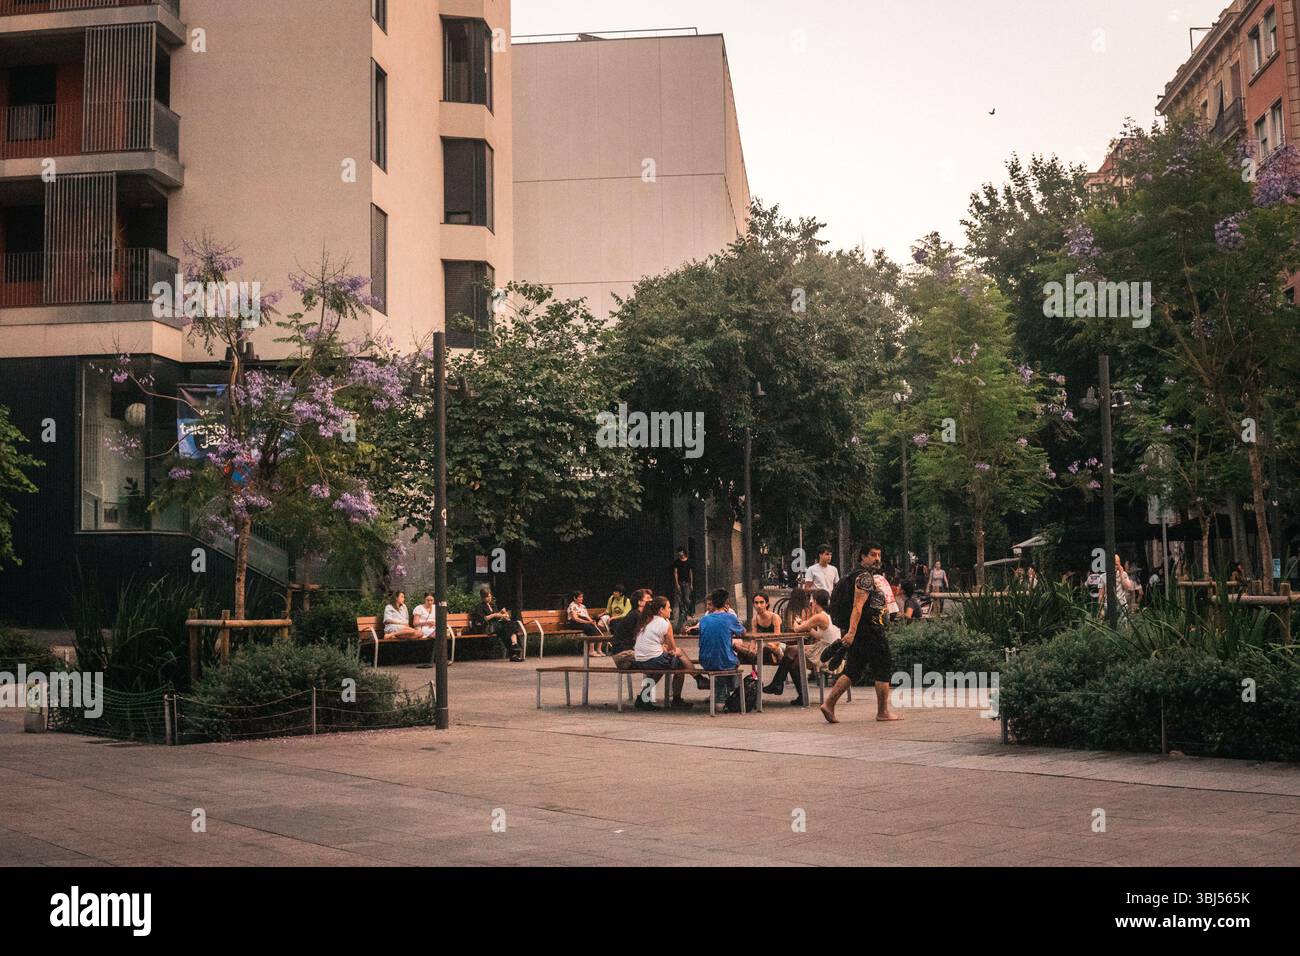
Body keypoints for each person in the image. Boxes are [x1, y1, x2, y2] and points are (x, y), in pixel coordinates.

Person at [820, 543, 901, 724]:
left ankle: (829, 703)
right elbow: (857, 607)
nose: (877, 559)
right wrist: (850, 633)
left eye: (879, 555)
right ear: (862, 557)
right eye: (873, 555)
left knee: (853, 669)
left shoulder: (856, 575)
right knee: (883, 666)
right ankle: (883, 712)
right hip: (869, 630)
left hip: (861, 631)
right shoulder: (864, 578)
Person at [765, 587, 838, 705]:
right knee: (793, 661)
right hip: (828, 649)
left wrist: (797, 622)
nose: (810, 602)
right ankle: (797, 694)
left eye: (812, 600)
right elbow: (819, 635)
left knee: (790, 651)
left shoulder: (819, 616)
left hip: (825, 652)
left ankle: (777, 684)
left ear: (815, 602)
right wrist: (808, 626)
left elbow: (797, 629)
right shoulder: (825, 616)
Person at [632, 596, 694, 710]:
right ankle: (693, 682)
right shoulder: (665, 623)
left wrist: (663, 648)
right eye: (668, 608)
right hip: (652, 660)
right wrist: (666, 649)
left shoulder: (647, 621)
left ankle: (643, 698)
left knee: (661, 668)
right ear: (661, 610)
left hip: (640, 660)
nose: (670, 610)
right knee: (680, 661)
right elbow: (672, 649)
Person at [697, 588, 745, 709]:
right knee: (733, 661)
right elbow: (742, 632)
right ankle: (728, 691)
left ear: (712, 603)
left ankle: (722, 693)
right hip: (725, 661)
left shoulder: (704, 619)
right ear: (725, 603)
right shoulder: (730, 618)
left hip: (705, 660)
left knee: (719, 659)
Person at [471, 585, 522, 662]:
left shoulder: (493, 605)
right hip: (487, 627)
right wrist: (494, 615)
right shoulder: (479, 607)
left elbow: (497, 616)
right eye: (487, 597)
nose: (489, 598)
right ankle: (514, 652)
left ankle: (514, 644)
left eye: (490, 596)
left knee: (511, 625)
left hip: (497, 626)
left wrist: (502, 615)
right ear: (482, 597)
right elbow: (482, 619)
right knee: (505, 630)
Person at [736, 593, 784, 666]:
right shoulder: (755, 619)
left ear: (767, 604)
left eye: (761, 602)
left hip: (777, 645)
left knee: (768, 647)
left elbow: (777, 640)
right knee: (738, 646)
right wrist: (752, 649)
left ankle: (778, 657)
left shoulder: (774, 617)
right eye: (756, 603)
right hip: (762, 645)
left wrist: (763, 646)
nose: (759, 605)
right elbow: (754, 638)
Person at [566, 589, 606, 655]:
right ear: (574, 598)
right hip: (575, 623)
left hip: (584, 622)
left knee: (599, 628)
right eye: (580, 597)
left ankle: (599, 650)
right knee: (591, 628)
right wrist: (588, 622)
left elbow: (587, 616)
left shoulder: (583, 606)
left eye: (582, 597)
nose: (582, 598)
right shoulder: (572, 606)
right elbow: (575, 619)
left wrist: (592, 621)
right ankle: (591, 651)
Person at [670, 546, 695, 631]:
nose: (679, 554)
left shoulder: (689, 561)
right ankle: (683, 613)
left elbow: (691, 573)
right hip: (680, 583)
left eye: (680, 552)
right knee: (680, 599)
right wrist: (676, 584)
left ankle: (688, 612)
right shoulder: (677, 562)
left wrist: (691, 584)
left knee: (687, 599)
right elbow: (675, 573)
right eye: (678, 553)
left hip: (687, 583)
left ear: (683, 552)